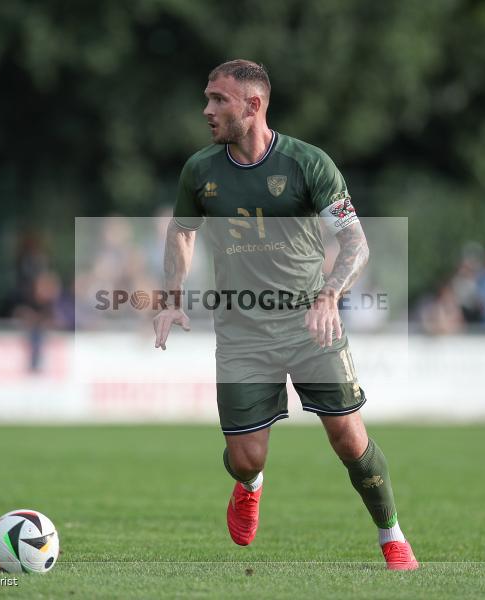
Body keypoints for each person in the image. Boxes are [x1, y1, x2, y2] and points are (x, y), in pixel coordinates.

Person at [152, 60, 418, 570]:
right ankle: (250, 485)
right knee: (246, 458)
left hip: (310, 324)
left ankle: (392, 536)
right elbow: (182, 231)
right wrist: (171, 297)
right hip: (242, 332)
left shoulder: (308, 164)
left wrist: (329, 295)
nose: (207, 110)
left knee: (349, 438)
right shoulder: (200, 171)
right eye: (207, 98)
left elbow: (356, 243)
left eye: (218, 100)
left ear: (253, 106)